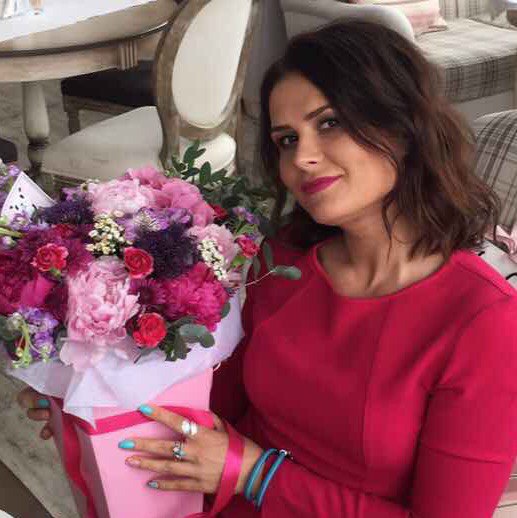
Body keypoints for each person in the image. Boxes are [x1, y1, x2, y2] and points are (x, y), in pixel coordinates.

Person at [18, 20, 517, 517]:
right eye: (286, 140)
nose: (303, 157)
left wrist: (257, 474)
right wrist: (99, 406)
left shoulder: (485, 322)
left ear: (403, 125)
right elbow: (217, 409)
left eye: (329, 123)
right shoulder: (282, 264)